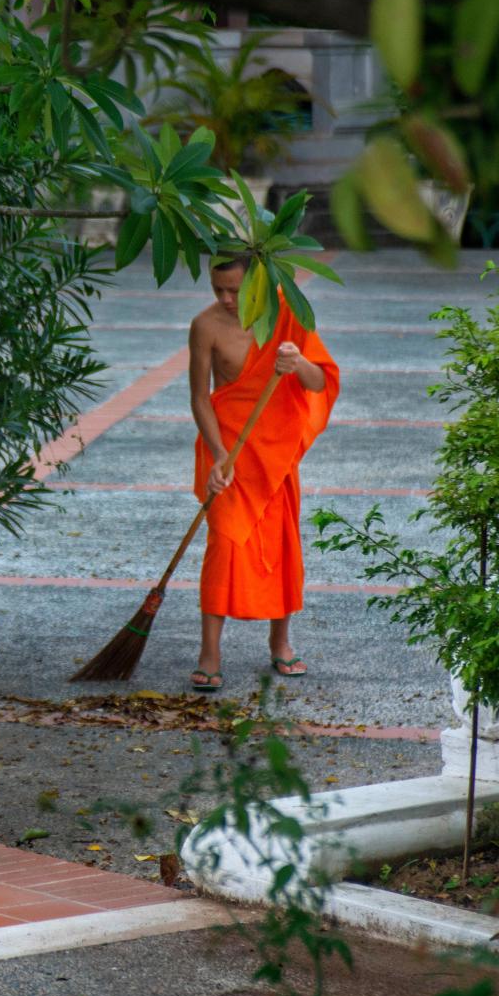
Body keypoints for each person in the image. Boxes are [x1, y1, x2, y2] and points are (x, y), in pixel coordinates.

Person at [187, 256, 339, 691]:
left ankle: (281, 642)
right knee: (225, 543)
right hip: (228, 450)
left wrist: (297, 363)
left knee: (280, 543)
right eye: (218, 289)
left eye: (234, 290)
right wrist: (218, 455)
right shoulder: (206, 325)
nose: (226, 299)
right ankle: (209, 653)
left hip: (275, 451)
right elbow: (200, 398)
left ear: (256, 282)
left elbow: (317, 382)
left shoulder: (286, 315)